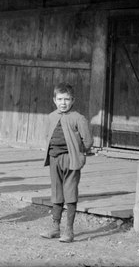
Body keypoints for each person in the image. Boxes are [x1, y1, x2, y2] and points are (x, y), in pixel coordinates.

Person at [40, 83, 93, 243]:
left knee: (70, 192)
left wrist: (77, 152)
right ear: (54, 100)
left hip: (71, 159)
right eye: (60, 99)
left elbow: (88, 141)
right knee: (56, 191)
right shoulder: (50, 117)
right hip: (54, 158)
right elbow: (46, 135)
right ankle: (55, 227)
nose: (63, 103)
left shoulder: (78, 118)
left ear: (73, 100)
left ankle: (69, 230)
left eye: (67, 99)